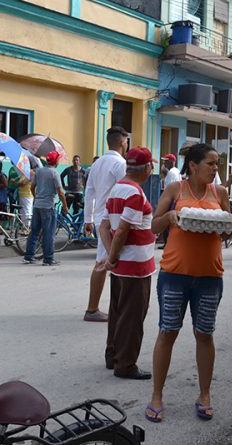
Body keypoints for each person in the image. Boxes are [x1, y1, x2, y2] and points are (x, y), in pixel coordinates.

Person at [146, 142, 231, 423]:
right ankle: (157, 395)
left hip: (209, 276)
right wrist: (169, 216)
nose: (215, 169)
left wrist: (226, 227)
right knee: (167, 332)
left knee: (204, 334)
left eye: (217, 164)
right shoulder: (175, 190)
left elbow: (229, 233)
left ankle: (204, 394)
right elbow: (153, 226)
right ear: (193, 165)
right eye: (211, 163)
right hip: (174, 275)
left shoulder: (220, 192)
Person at [98, 147, 157, 380]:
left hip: (121, 264)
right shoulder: (135, 193)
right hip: (136, 265)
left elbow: (105, 226)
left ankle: (112, 355)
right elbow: (123, 229)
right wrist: (112, 257)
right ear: (146, 168)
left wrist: (112, 258)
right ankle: (126, 364)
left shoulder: (116, 190)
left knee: (117, 311)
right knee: (133, 316)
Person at [83, 127, 129, 322]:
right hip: (112, 218)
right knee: (105, 263)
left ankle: (99, 308)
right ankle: (93, 309)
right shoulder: (120, 164)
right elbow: (126, 192)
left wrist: (88, 219)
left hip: (102, 215)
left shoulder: (98, 163)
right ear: (122, 143)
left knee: (105, 262)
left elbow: (89, 193)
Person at [23, 151, 68, 266]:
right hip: (48, 207)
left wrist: (36, 198)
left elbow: (32, 187)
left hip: (37, 206)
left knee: (34, 232)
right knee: (49, 233)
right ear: (55, 161)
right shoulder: (54, 173)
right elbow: (60, 192)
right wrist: (65, 206)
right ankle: (48, 259)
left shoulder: (39, 171)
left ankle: (29, 256)